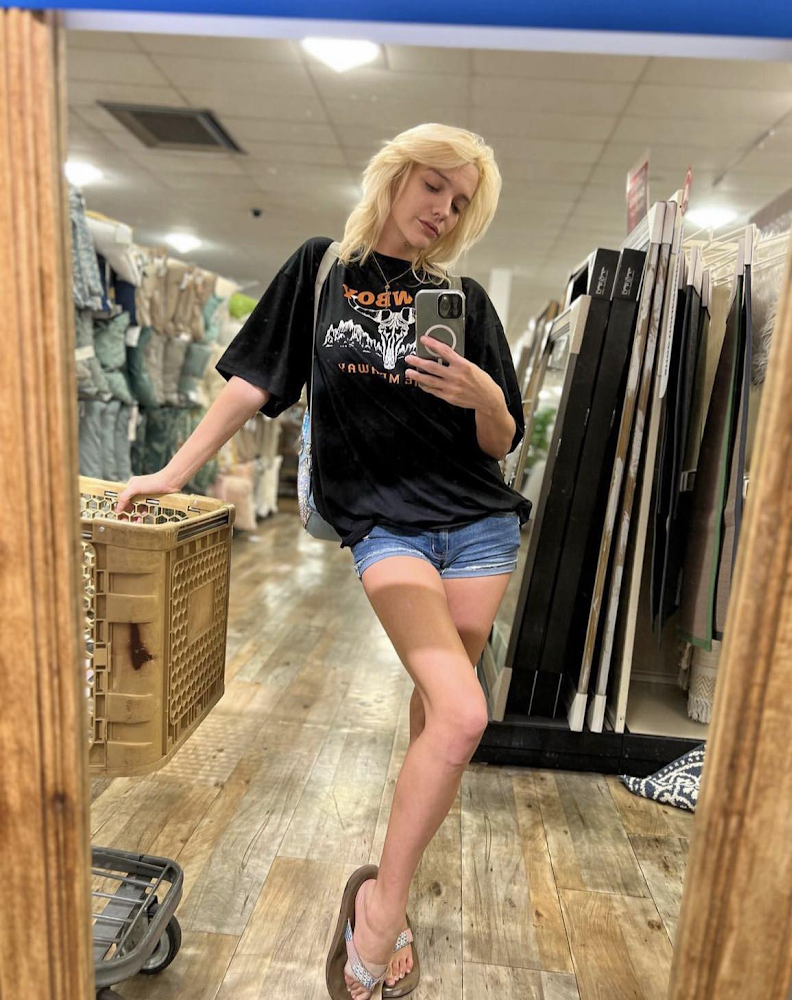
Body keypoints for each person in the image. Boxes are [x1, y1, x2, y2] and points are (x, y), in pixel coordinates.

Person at [116, 123, 532, 1000]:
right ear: (395, 175)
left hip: (481, 527)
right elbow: (251, 384)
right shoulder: (320, 270)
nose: (443, 210)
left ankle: (395, 875)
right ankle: (380, 910)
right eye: (433, 186)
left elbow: (501, 440)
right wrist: (172, 472)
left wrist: (483, 393)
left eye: (460, 201)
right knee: (464, 714)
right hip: (385, 527)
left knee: (437, 719)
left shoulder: (463, 300)